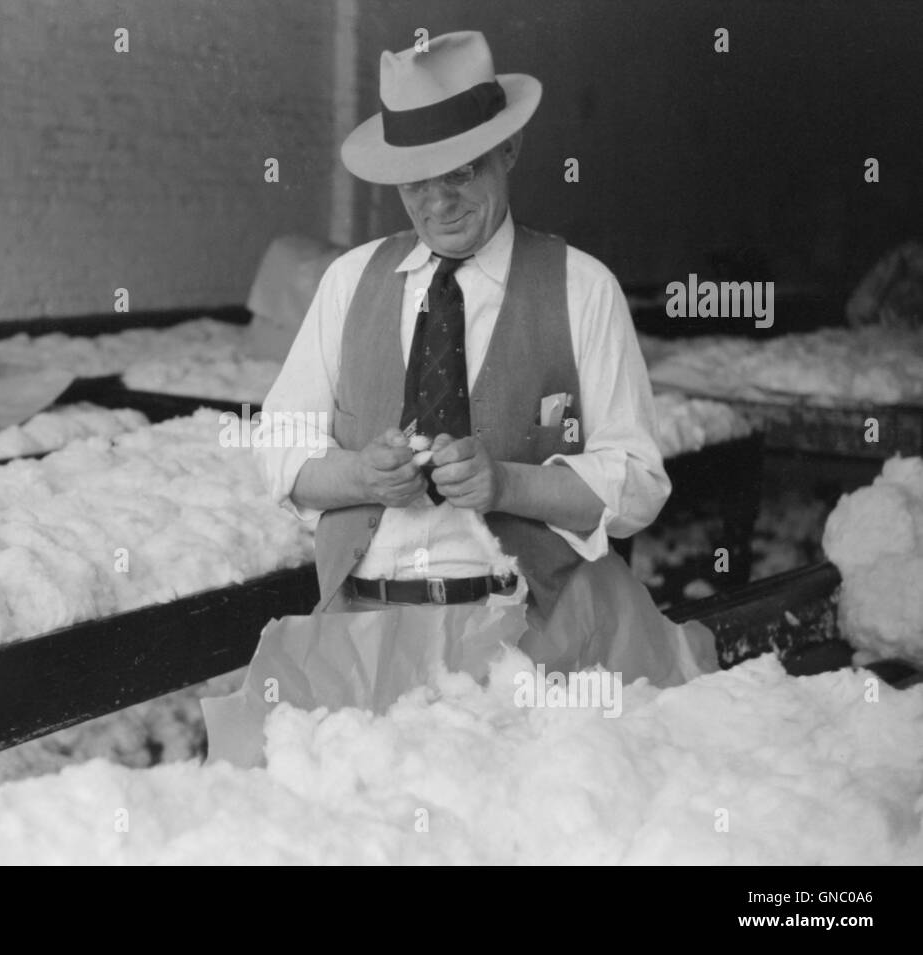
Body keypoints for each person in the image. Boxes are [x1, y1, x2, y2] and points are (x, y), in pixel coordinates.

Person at [255, 30, 717, 685]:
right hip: (363, 650)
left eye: (461, 171)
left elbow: (640, 483)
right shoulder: (349, 281)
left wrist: (510, 484)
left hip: (539, 651)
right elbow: (277, 449)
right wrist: (362, 477)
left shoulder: (581, 288)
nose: (437, 203)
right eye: (415, 181)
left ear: (509, 148)